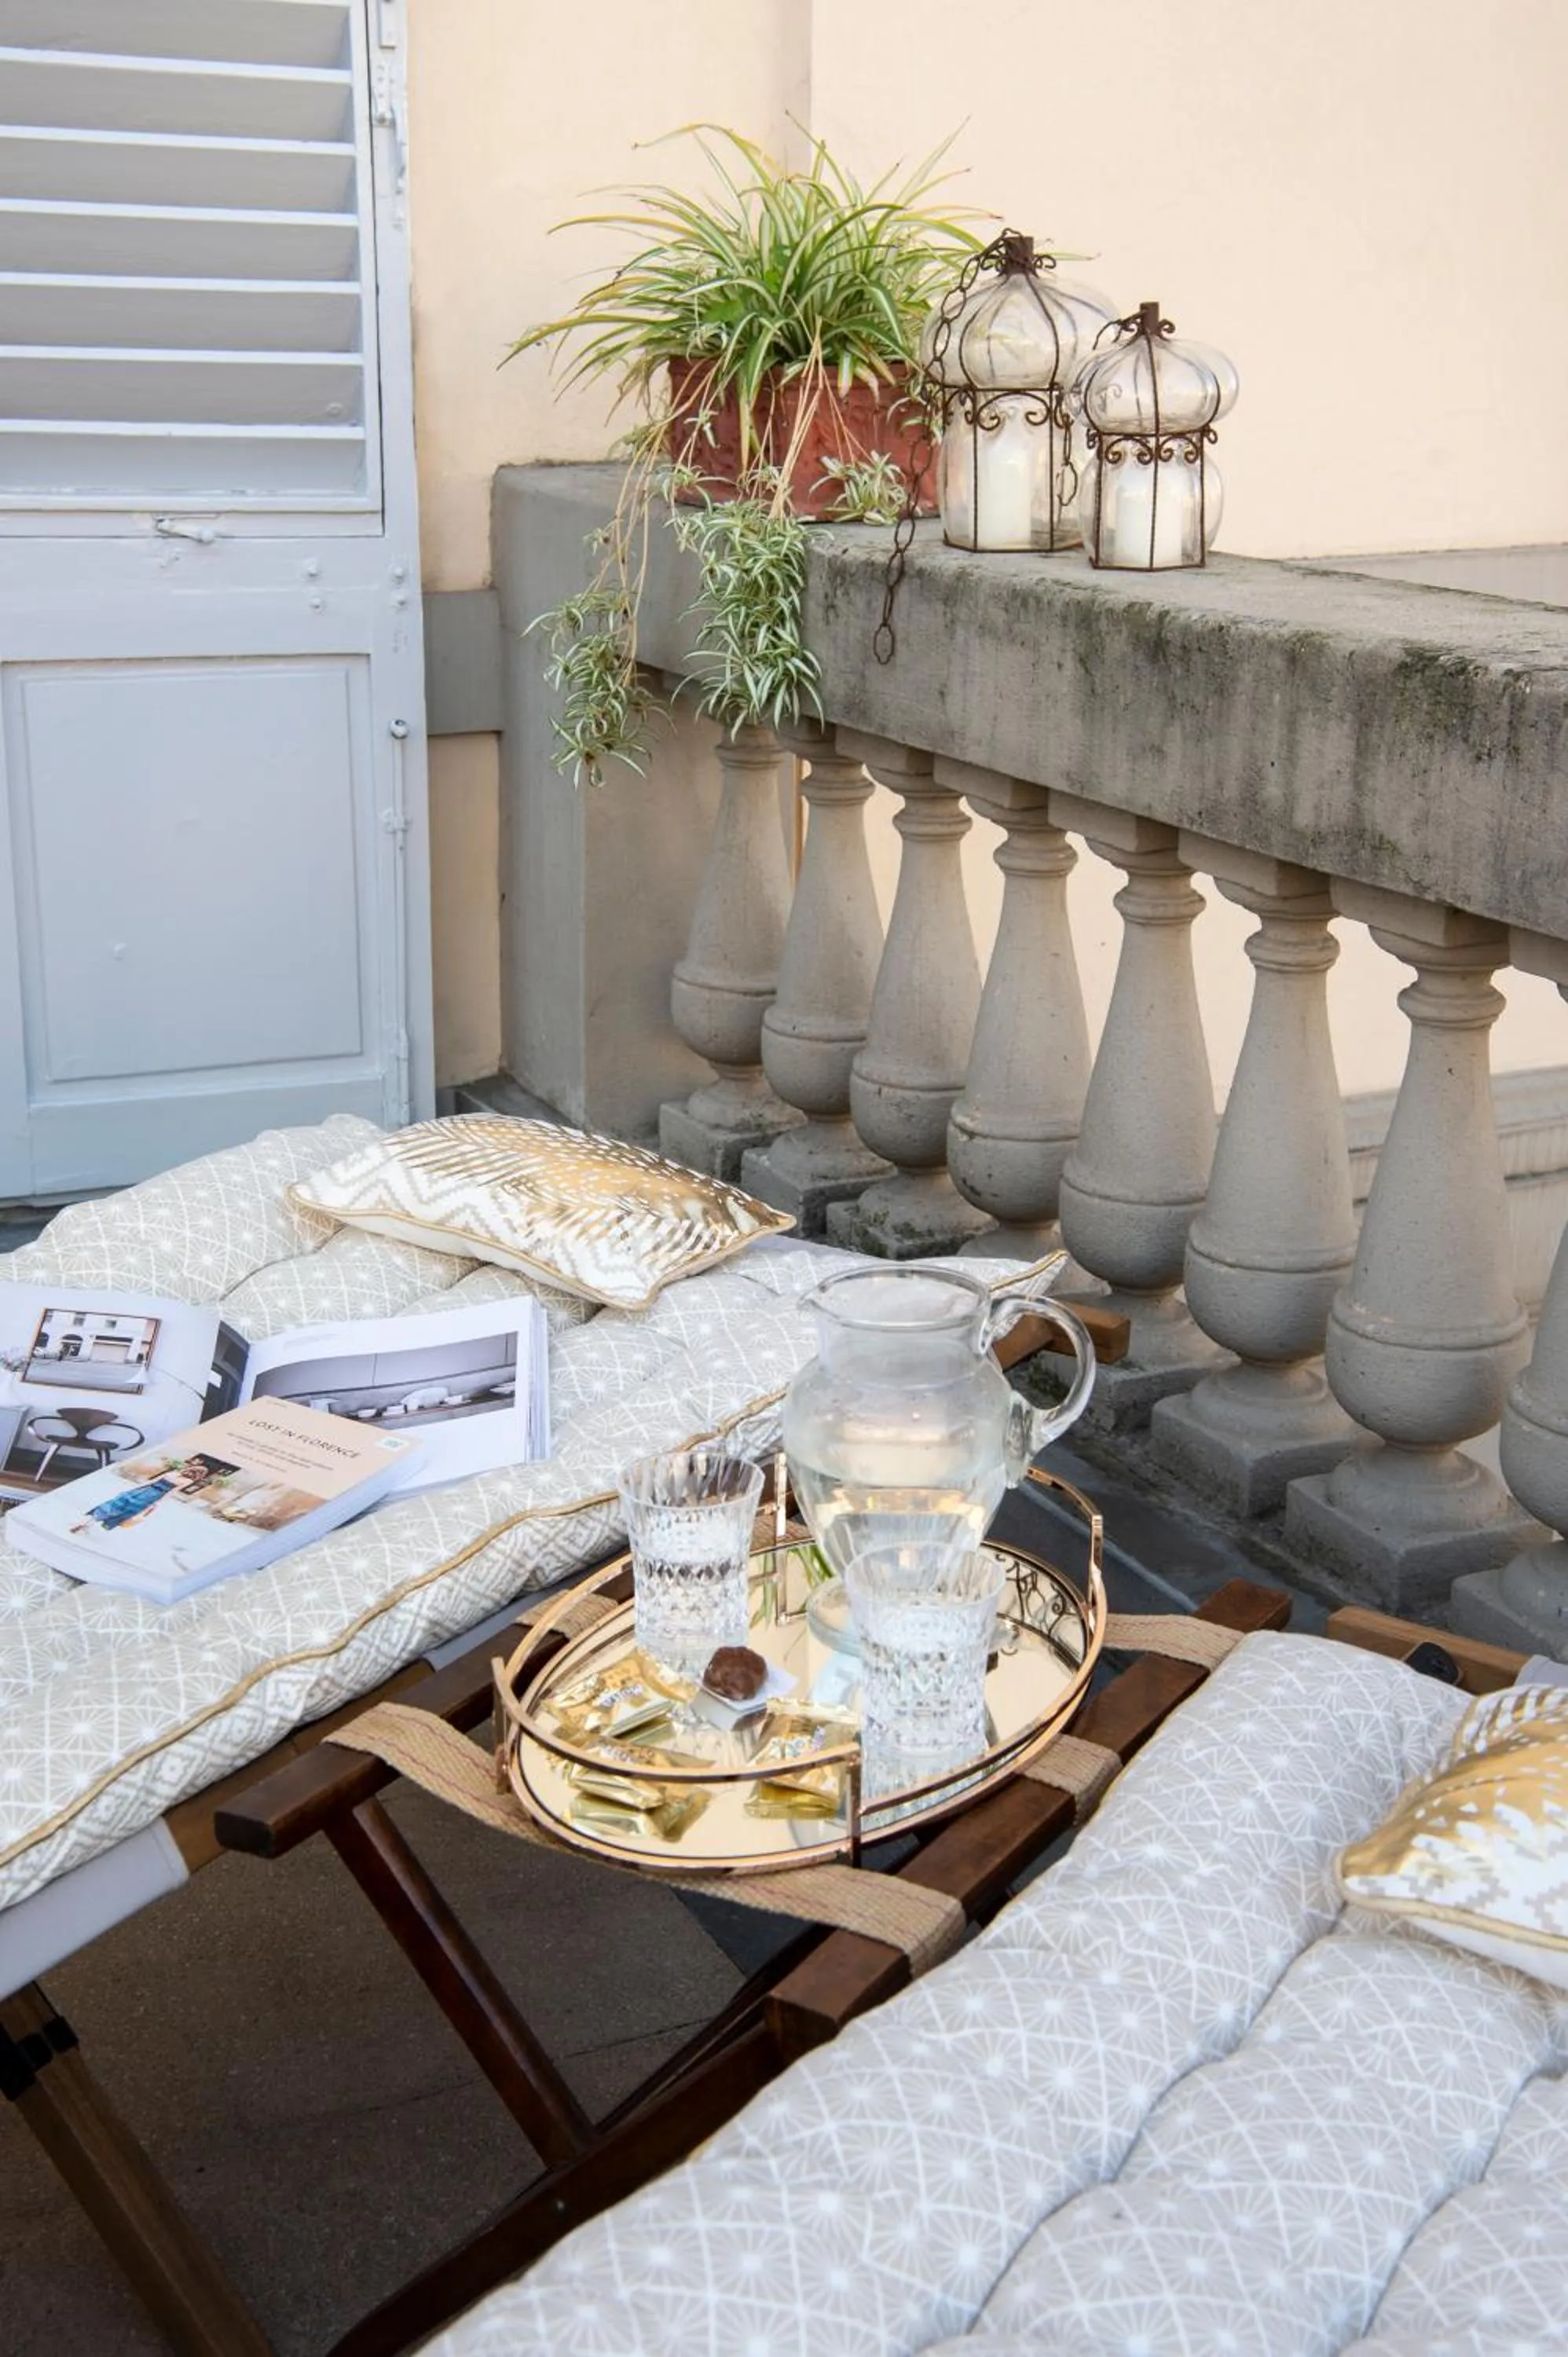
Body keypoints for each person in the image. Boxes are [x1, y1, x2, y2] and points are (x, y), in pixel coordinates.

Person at [71, 1452, 238, 1537]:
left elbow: (151, 1482)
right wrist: (156, 1504)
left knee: (117, 1505)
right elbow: (168, 1492)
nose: (194, 1474)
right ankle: (89, 1524)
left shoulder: (174, 1474)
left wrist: (135, 1491)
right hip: (150, 1495)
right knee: (125, 1509)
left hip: (146, 1492)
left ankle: (87, 1523)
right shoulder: (184, 1481)